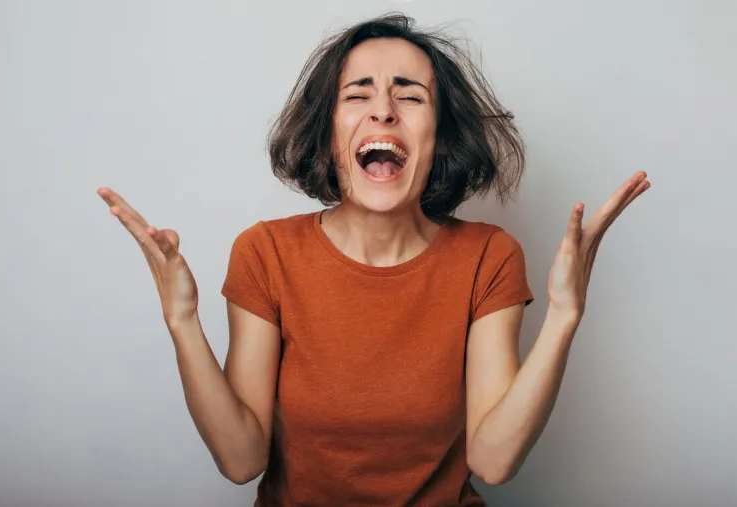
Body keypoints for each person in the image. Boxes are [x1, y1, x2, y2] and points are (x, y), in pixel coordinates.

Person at [97, 12, 649, 507]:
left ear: (439, 137)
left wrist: (563, 316)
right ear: (327, 128)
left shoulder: (489, 256)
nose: (383, 110)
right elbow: (242, 461)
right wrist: (182, 320)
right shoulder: (265, 252)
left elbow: (494, 462)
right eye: (357, 94)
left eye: (409, 96)